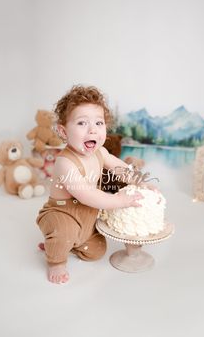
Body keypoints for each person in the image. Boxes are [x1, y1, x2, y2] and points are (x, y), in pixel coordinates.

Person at [36, 85, 143, 284]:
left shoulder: (100, 152)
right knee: (64, 232)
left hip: (87, 216)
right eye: (82, 123)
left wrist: (141, 182)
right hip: (60, 213)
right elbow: (86, 194)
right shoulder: (65, 163)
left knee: (97, 250)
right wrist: (118, 200)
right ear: (63, 131)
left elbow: (120, 168)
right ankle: (56, 259)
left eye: (99, 123)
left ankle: (62, 244)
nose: (92, 129)